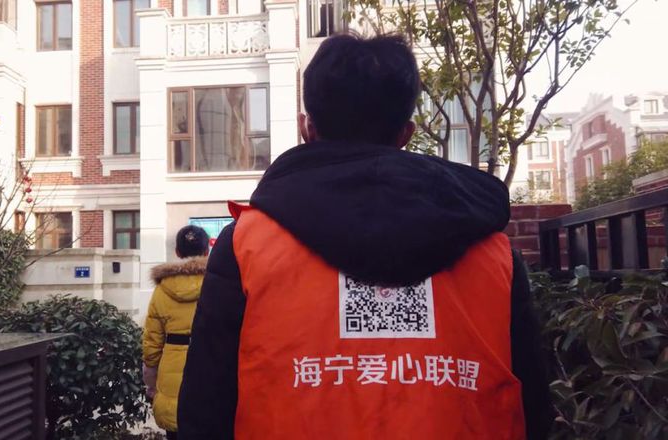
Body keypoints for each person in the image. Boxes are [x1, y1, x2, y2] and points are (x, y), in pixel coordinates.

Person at [178, 33, 553, 439]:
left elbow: (205, 410)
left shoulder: (247, 246)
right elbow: (535, 411)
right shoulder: (493, 256)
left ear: (307, 127)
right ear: (406, 133)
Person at [143, 225, 210, 440]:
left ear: (178, 252)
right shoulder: (219, 283)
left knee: (176, 428)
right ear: (207, 250)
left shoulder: (162, 289)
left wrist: (151, 384)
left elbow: (152, 344)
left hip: (172, 375)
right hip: (212, 368)